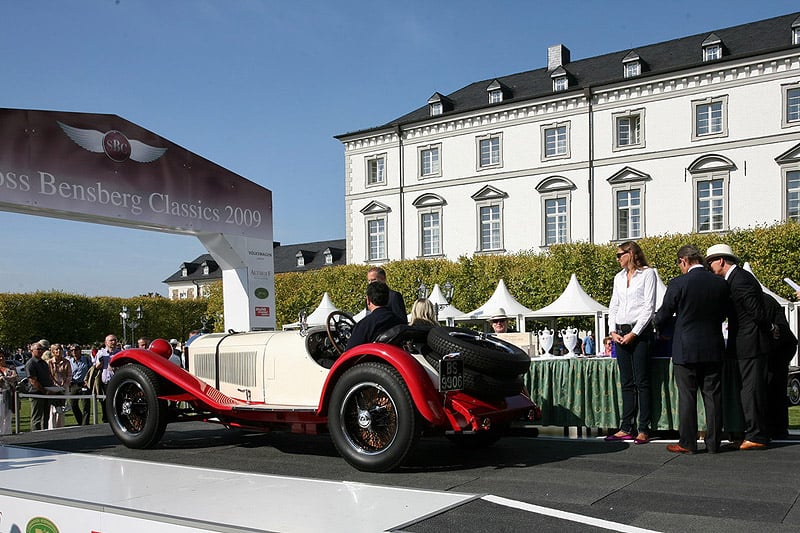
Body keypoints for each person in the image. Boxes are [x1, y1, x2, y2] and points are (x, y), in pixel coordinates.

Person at [655, 245, 730, 454]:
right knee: (713, 397)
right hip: (713, 346)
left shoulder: (679, 283)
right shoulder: (720, 283)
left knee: (687, 397)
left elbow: (664, 313)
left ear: (684, 261)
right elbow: (724, 312)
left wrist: (659, 327)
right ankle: (714, 443)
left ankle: (688, 442)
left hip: (685, 347)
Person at [706, 244, 775, 450]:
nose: (709, 266)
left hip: (751, 345)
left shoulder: (740, 280)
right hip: (747, 344)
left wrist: (770, 327)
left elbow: (755, 312)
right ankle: (754, 432)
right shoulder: (737, 279)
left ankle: (757, 435)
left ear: (721, 261)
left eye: (711, 262)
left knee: (751, 391)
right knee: (749, 390)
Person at [606, 241, 657, 445]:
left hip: (640, 332)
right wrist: (612, 331)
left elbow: (649, 307)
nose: (617, 258)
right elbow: (613, 306)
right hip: (621, 331)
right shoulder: (618, 278)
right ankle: (626, 426)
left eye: (620, 255)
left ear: (630, 253)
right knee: (627, 382)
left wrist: (634, 333)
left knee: (642, 381)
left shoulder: (648, 274)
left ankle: (643, 428)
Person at [762, 292, 797, 440]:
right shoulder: (767, 300)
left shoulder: (760, 301)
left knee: (773, 387)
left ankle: (775, 427)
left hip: (778, 347)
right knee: (777, 388)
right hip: (783, 345)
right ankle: (778, 428)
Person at [345, 281, 406, 351]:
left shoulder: (365, 324)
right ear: (388, 299)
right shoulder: (398, 321)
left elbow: (349, 351)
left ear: (368, 300)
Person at [25, 341, 54, 430]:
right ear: (32, 350)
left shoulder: (44, 363)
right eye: (38, 349)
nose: (41, 351)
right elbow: (33, 381)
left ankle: (45, 434)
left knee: (46, 417)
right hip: (36, 394)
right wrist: (44, 391)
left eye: (42, 349)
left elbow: (48, 377)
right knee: (37, 418)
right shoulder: (31, 363)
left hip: (46, 393)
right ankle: (35, 435)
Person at [94, 334, 121, 422]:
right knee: (105, 401)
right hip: (105, 381)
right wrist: (100, 362)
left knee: (117, 400)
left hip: (117, 380)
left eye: (115, 340)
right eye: (111, 340)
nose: (113, 342)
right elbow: (96, 366)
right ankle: (106, 419)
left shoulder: (119, 353)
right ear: (106, 342)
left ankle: (117, 418)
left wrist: (116, 367)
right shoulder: (101, 353)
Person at [47, 343, 71, 428]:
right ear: (52, 351)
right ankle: (52, 427)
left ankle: (60, 427)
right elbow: (49, 375)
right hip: (53, 388)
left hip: (64, 388)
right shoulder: (49, 362)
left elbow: (69, 375)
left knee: (61, 409)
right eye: (56, 349)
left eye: (60, 349)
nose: (58, 351)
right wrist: (55, 386)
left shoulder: (66, 362)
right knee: (52, 409)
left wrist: (64, 386)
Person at [68, 344, 92, 425]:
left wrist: (88, 382)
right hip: (74, 385)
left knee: (86, 405)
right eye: (72, 350)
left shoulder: (86, 359)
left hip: (84, 384)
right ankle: (80, 421)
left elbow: (91, 371)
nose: (74, 352)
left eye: (76, 350)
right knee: (73, 405)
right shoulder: (69, 361)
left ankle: (85, 423)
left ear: (80, 351)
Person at [0, 356, 19, 435]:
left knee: (8, 416)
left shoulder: (10, 367)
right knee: (0, 415)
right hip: (0, 395)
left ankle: (7, 433)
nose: (1, 358)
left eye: (2, 356)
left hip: (9, 394)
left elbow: (15, 377)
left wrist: (6, 378)